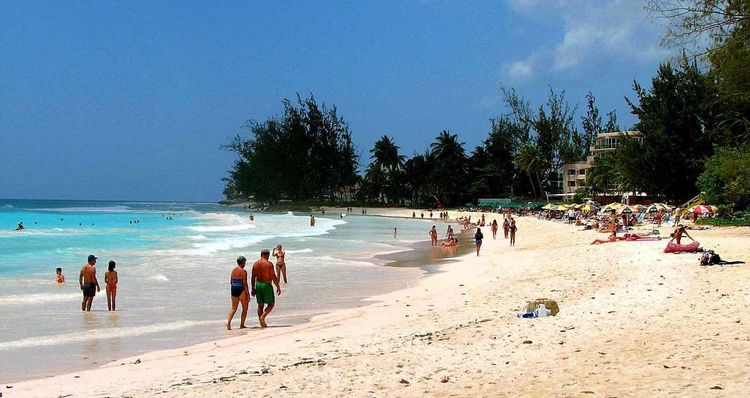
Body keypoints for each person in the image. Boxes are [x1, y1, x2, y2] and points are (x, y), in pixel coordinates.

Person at [251, 249, 281, 328]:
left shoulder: (255, 264)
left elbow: (253, 277)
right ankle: (263, 317)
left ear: (261, 254)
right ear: (267, 255)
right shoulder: (269, 264)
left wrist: (253, 288)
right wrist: (278, 287)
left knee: (260, 305)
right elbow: (273, 276)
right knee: (271, 304)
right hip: (266, 284)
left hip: (258, 284)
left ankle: (261, 323)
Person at [226, 256, 250, 330]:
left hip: (233, 288)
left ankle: (228, 323)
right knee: (245, 308)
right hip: (241, 289)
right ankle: (242, 325)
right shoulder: (243, 272)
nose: (245, 264)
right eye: (244, 262)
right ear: (243, 263)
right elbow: (245, 284)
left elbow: (231, 282)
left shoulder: (233, 270)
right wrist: (248, 294)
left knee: (233, 308)